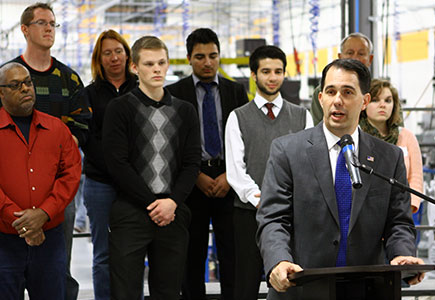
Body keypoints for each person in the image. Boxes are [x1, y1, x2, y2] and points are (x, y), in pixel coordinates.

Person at [256, 59, 424, 300]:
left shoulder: (389, 157)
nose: (337, 100)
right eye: (331, 91)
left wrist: (402, 254)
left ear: (364, 101)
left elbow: (399, 221)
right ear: (321, 97)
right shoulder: (287, 151)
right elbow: (273, 218)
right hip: (302, 287)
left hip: (366, 289)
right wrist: (279, 260)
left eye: (347, 92)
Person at [102, 35, 201, 300]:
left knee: (168, 292)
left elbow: (192, 163)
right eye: (148, 64)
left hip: (173, 212)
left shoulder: (185, 111)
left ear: (168, 64)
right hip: (131, 212)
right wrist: (152, 202)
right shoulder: (120, 108)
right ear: (134, 67)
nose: (156, 69)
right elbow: (117, 163)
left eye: (161, 63)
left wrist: (172, 203)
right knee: (125, 292)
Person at [5, 3, 92, 299]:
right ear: (25, 29)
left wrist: (44, 211)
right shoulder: (6, 76)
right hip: (10, 204)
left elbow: (81, 128)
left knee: (57, 271)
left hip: (57, 195)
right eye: (42, 23)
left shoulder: (69, 79)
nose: (49, 29)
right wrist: (25, 218)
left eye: (53, 24)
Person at [225, 45, 313, 300]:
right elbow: (235, 171)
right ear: (254, 75)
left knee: (289, 282)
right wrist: (261, 199)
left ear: (285, 74)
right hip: (248, 215)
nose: (272, 77)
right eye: (265, 71)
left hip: (290, 216)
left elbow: (307, 165)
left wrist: (281, 202)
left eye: (278, 71)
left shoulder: (302, 116)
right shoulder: (238, 117)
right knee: (245, 284)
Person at [166, 28, 248, 300]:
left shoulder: (236, 91)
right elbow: (171, 143)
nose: (207, 62)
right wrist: (196, 175)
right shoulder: (174, 93)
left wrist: (230, 175)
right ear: (189, 58)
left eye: (213, 56)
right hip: (191, 182)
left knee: (231, 253)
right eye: (200, 56)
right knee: (192, 254)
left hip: (229, 179)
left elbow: (243, 138)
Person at [0, 62, 81, 300]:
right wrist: (23, 223)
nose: (25, 89)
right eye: (15, 85)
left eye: (28, 83)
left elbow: (71, 174)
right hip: (4, 238)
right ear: (1, 92)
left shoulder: (57, 129)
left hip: (50, 237)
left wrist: (44, 213)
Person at [79, 29, 137, 300]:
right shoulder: (88, 94)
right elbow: (89, 139)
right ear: (99, 59)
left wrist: (129, 172)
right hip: (100, 183)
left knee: (133, 252)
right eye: (107, 53)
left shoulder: (141, 89)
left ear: (127, 55)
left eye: (118, 51)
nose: (114, 58)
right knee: (103, 254)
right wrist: (117, 168)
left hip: (137, 185)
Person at [360, 79, 423, 213]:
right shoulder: (356, 135)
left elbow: (416, 178)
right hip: (365, 213)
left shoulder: (407, 136)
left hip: (401, 211)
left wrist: (409, 208)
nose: (382, 105)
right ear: (364, 103)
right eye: (375, 100)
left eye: (388, 101)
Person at [310, 32, 374, 125]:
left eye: (361, 53)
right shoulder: (323, 90)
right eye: (350, 53)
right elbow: (317, 128)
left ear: (370, 59)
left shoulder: (380, 90)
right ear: (340, 57)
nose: (355, 58)